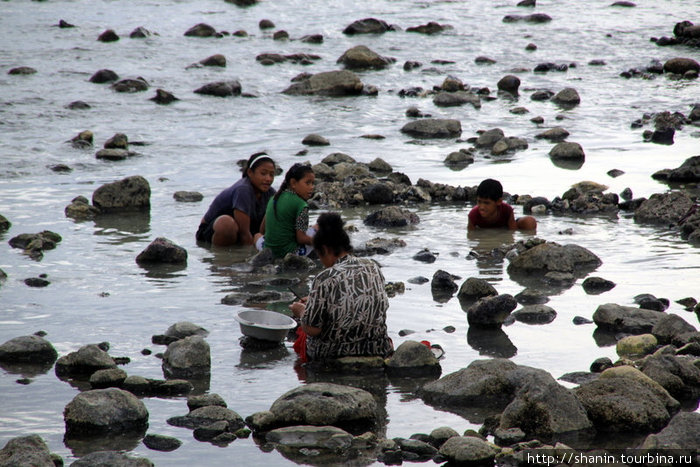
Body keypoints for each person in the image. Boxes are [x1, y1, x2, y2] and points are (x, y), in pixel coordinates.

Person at [289, 213, 393, 362]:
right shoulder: (373, 266)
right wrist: (314, 300)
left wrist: (301, 312)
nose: (322, 262)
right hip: (377, 348)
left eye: (320, 256)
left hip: (336, 353)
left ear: (324, 249)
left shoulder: (325, 278)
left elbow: (313, 329)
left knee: (302, 334)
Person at [196, 153, 276, 246]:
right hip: (212, 231)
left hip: (243, 232)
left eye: (271, 175)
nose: (268, 179)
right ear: (250, 173)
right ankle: (220, 257)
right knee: (226, 224)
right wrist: (249, 257)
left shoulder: (271, 193)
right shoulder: (243, 190)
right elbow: (244, 233)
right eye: (263, 173)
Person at [258, 163, 316, 258]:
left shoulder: (274, 198)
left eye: (313, 183)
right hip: (288, 253)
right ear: (293, 183)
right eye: (308, 183)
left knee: (256, 236)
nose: (311, 187)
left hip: (268, 251)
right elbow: (301, 239)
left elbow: (262, 231)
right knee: (318, 232)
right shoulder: (302, 205)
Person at [467, 178, 537, 231]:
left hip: (504, 227)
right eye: (479, 202)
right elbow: (471, 235)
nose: (481, 207)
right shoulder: (473, 214)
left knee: (530, 222)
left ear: (499, 201)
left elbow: (512, 232)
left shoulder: (506, 209)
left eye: (486, 203)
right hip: (483, 229)